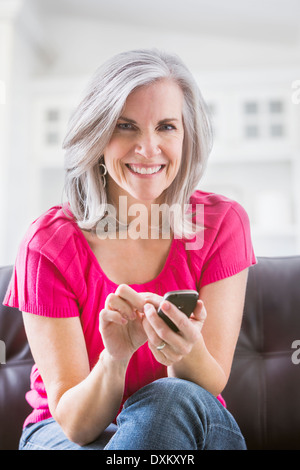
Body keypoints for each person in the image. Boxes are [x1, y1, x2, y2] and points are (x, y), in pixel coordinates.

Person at [3, 49, 256, 450]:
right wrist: (114, 359)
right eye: (126, 127)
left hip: (192, 424)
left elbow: (211, 383)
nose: (148, 147)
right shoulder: (47, 247)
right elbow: (76, 426)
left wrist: (182, 350)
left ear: (187, 137)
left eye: (167, 127)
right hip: (68, 434)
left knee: (167, 400)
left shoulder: (222, 224)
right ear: (97, 135)